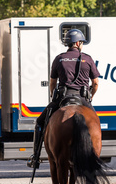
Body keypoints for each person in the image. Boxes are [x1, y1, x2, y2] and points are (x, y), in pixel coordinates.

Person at [27, 29, 100, 169]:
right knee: (95, 122)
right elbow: (95, 83)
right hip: (82, 99)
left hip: (63, 98)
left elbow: (53, 83)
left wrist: (52, 96)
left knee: (40, 122)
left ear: (69, 43)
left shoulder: (59, 58)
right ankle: (95, 154)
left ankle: (35, 157)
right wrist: (90, 96)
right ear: (78, 43)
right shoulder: (88, 59)